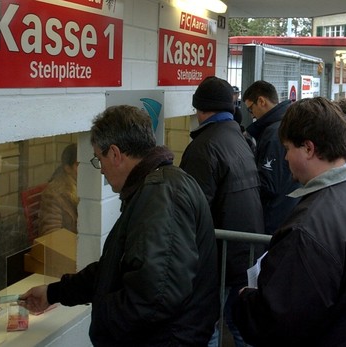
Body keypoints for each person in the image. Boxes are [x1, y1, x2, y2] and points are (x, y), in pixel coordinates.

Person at [20, 105, 219, 346]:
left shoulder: (162, 197)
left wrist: (103, 318)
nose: (101, 169)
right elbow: (113, 269)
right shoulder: (154, 189)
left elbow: (155, 298)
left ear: (115, 154)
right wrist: (54, 293)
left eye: (98, 159)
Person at [233, 97, 346, 346]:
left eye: (288, 148)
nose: (285, 158)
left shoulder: (311, 225)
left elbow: (276, 321)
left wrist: (245, 300)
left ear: (308, 148)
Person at [179, 76, 264, 347]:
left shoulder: (202, 148)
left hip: (218, 259)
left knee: (206, 325)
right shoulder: (239, 137)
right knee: (238, 322)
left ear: (201, 109)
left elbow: (192, 208)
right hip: (245, 251)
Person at [242, 80, 301, 235]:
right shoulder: (287, 122)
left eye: (250, 109)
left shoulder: (274, 133)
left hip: (276, 215)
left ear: (261, 101)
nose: (252, 115)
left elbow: (269, 183)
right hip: (289, 208)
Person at [38, 143, 79, 236]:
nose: (85, 169)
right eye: (78, 164)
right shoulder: (54, 195)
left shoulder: (85, 187)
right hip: (66, 248)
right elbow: (50, 234)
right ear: (67, 168)